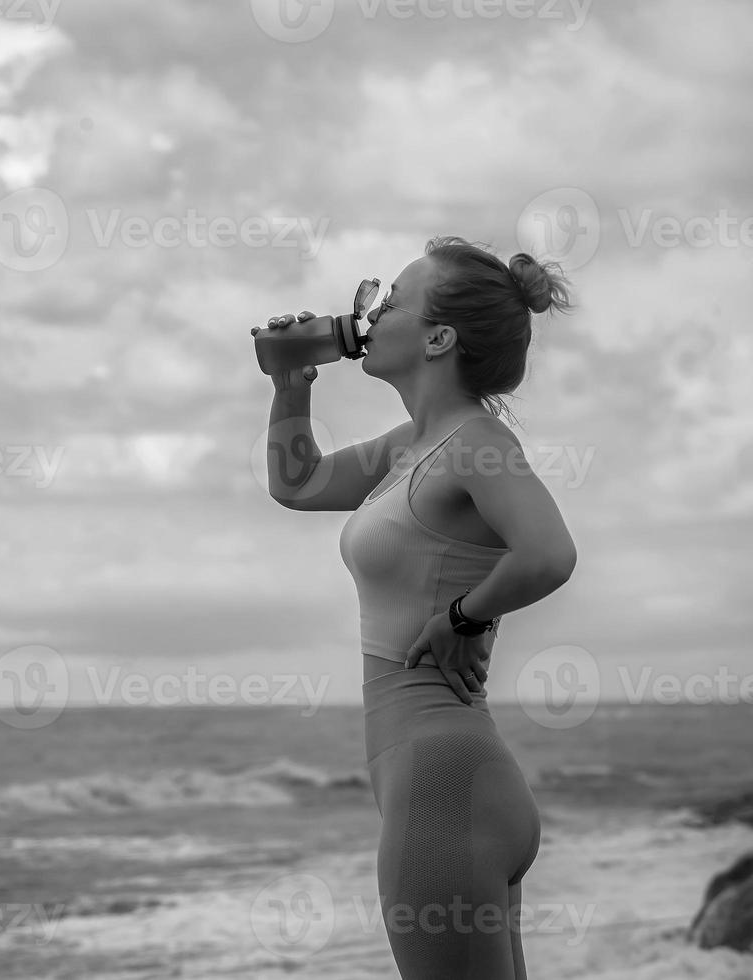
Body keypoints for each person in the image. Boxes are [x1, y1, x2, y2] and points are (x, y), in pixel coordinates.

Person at [259, 236, 578, 979]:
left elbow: (550, 553)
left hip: (444, 785)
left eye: (391, 298)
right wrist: (289, 383)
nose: (370, 312)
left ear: (439, 337)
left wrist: (464, 615)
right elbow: (297, 484)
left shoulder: (476, 442)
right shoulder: (417, 444)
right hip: (445, 779)